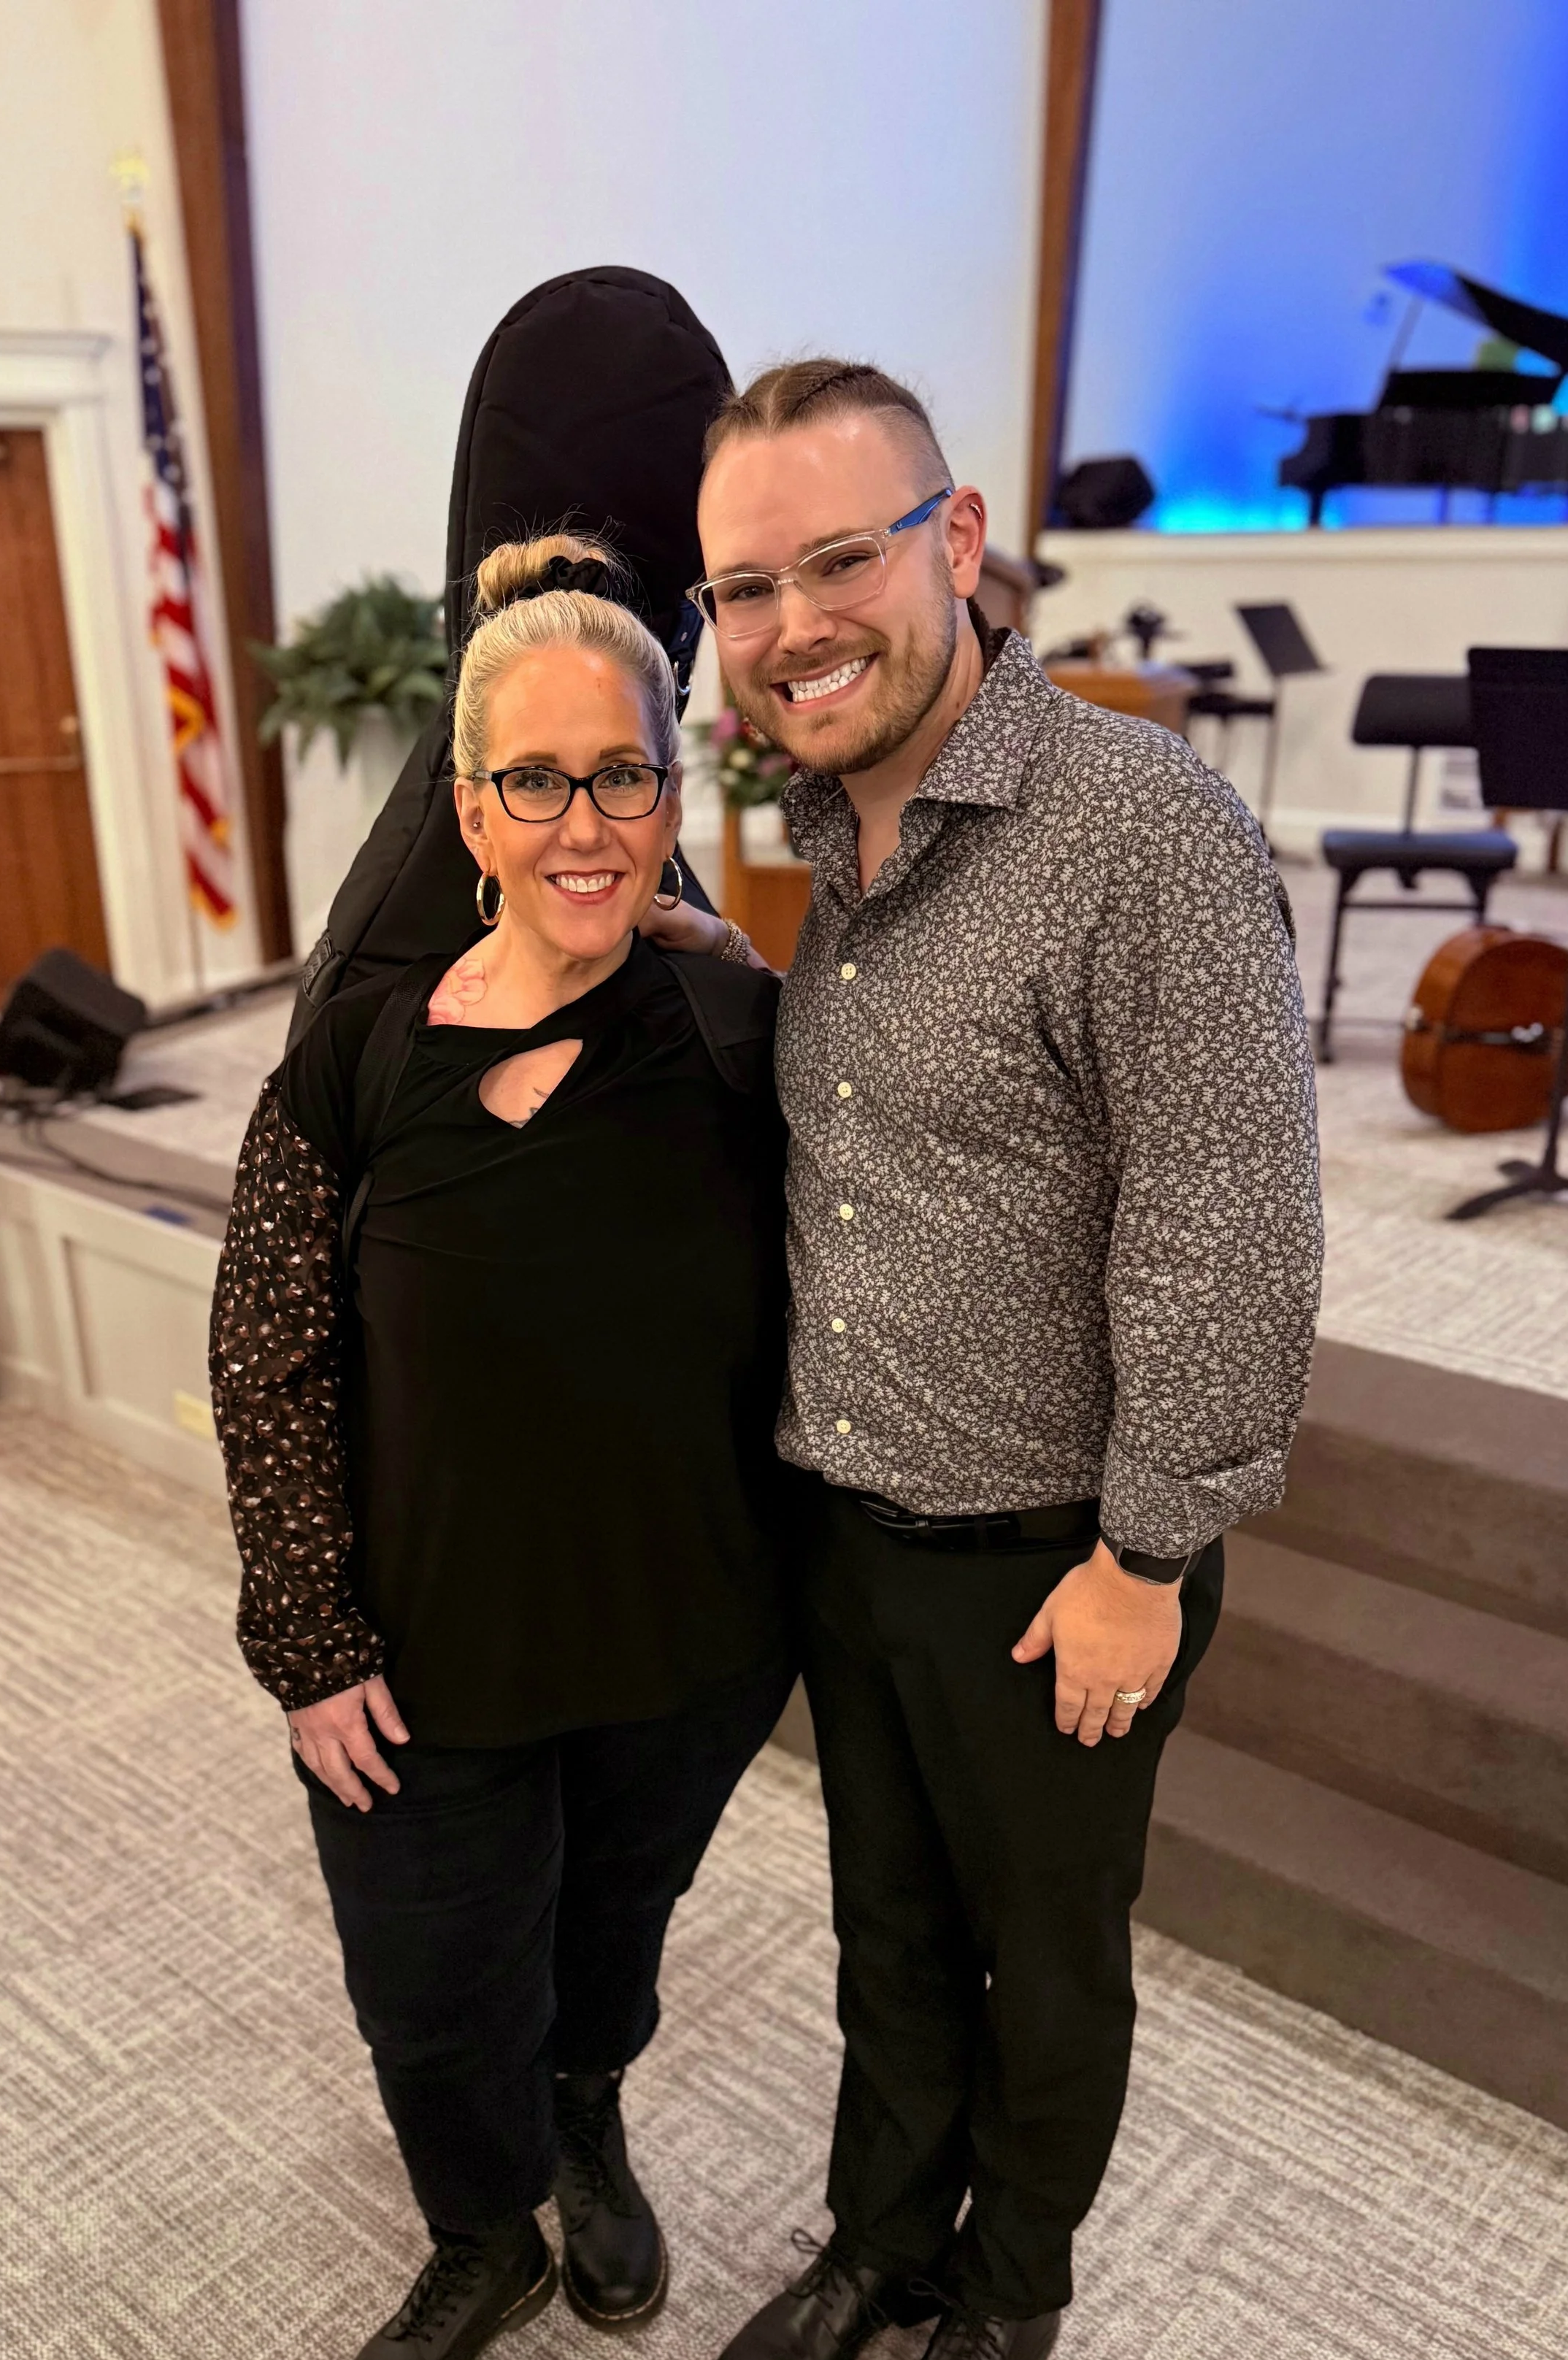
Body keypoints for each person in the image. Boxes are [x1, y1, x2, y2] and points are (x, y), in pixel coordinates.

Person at [660, 361, 1323, 2359]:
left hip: (1059, 1566)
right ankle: (880, 2240)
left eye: (839, 558)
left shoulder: (1143, 834)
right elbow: (941, 1104)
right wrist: (748, 992)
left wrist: (1147, 1557)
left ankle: (1004, 2295)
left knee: (1046, 1965)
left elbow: (1228, 1226)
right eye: (744, 588)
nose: (792, 627)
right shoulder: (839, 828)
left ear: (956, 544)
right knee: (890, 1934)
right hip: (852, 1533)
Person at [210, 535, 791, 2360]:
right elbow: (265, 1351)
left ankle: (589, 2113)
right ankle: (483, 2231)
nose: (580, 822)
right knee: (430, 1981)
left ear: (668, 787)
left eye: (617, 772)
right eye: (532, 781)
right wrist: (308, 1636)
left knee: (607, 1933)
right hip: (424, 1645)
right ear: (467, 810)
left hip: (681, 1635)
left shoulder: (735, 1032)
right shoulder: (357, 1052)